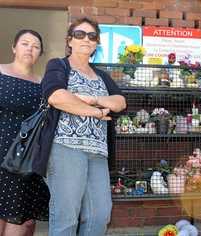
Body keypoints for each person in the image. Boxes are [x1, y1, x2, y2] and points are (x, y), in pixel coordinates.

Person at [41, 17, 126, 236]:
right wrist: (96, 111)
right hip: (65, 149)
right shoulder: (58, 66)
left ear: (97, 43)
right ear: (69, 40)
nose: (86, 39)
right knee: (66, 216)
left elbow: (120, 102)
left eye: (92, 36)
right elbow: (57, 97)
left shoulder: (102, 75)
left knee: (100, 215)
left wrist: (89, 99)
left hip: (98, 153)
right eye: (79, 34)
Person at [0, 30, 49, 236]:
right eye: (25, 43)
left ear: (40, 53)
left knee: (20, 219)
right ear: (14, 47)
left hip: (23, 159)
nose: (30, 48)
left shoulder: (44, 85)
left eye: (36, 46)